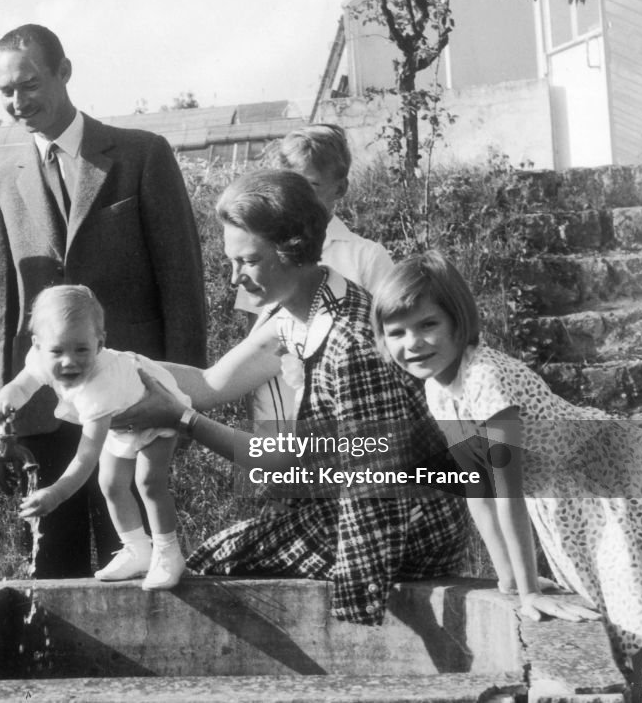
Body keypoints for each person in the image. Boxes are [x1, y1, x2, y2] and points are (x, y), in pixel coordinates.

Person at [116, 169, 466, 625]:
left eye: (249, 261)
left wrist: (355, 609)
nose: (234, 279)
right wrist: (115, 366)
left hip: (411, 524)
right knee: (212, 560)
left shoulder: (350, 344)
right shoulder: (297, 309)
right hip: (345, 504)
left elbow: (374, 488)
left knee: (213, 565)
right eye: (231, 261)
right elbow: (209, 384)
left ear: (293, 248)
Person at [0, 23, 207, 579]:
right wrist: (3, 408)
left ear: (64, 71)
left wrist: (182, 397)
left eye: (29, 84)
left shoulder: (139, 155)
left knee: (133, 547)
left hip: (130, 394)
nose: (17, 102)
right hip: (46, 401)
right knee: (53, 559)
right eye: (5, 92)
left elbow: (181, 280)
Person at [371, 250, 642, 674]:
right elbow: (477, 493)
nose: (413, 343)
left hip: (610, 480)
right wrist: (512, 580)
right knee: (603, 623)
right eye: (397, 332)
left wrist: (531, 592)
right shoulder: (439, 389)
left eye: (428, 325)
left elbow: (507, 492)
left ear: (458, 323)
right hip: (564, 498)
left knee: (634, 620)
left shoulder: (487, 378)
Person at [0, 285, 192, 590]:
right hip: (120, 421)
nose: (69, 361)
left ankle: (168, 553)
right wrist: (5, 400)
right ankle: (137, 549)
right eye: (58, 351)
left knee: (148, 483)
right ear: (39, 346)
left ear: (100, 343)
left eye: (81, 349)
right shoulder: (42, 357)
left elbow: (86, 456)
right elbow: (22, 386)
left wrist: (56, 493)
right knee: (110, 484)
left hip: (156, 413)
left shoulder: (101, 383)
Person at [239, 124, 395, 428]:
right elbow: (251, 342)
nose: (298, 198)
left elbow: (388, 337)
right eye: (291, 186)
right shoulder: (258, 255)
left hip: (347, 411)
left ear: (340, 188)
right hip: (276, 406)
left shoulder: (365, 256)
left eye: (311, 186)